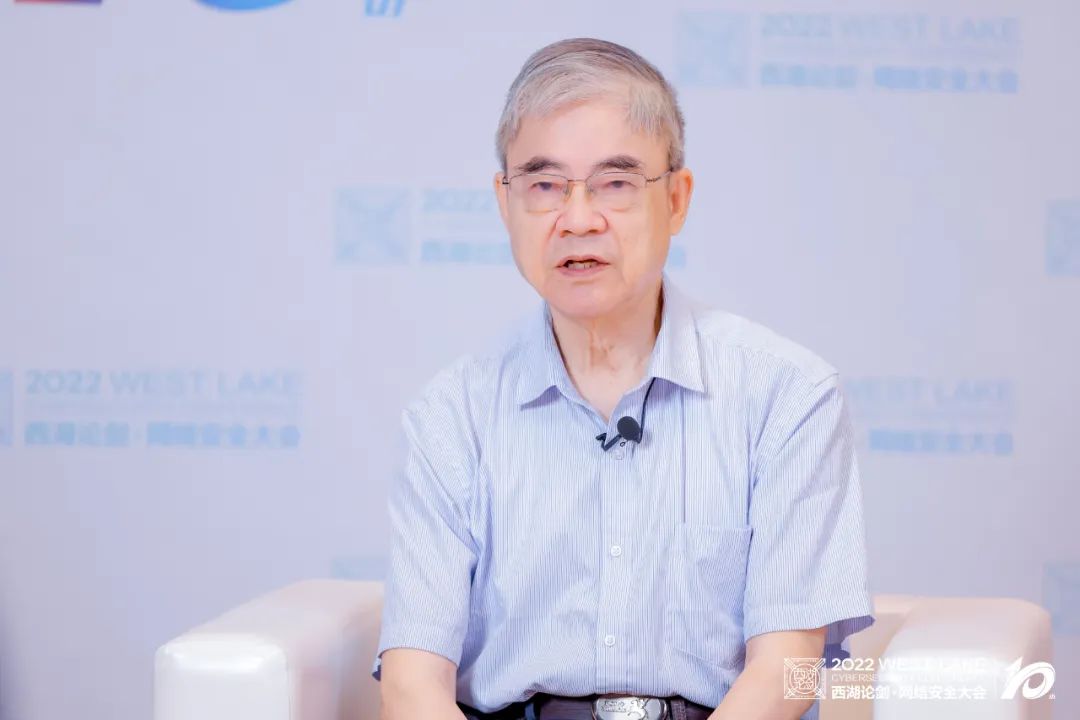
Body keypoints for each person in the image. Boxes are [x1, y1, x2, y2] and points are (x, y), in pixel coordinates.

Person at [372, 37, 874, 720]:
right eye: (545, 185)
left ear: (677, 199)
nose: (578, 220)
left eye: (615, 183)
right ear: (504, 202)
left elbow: (787, 672)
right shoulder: (450, 415)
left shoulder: (786, 395)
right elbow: (411, 686)